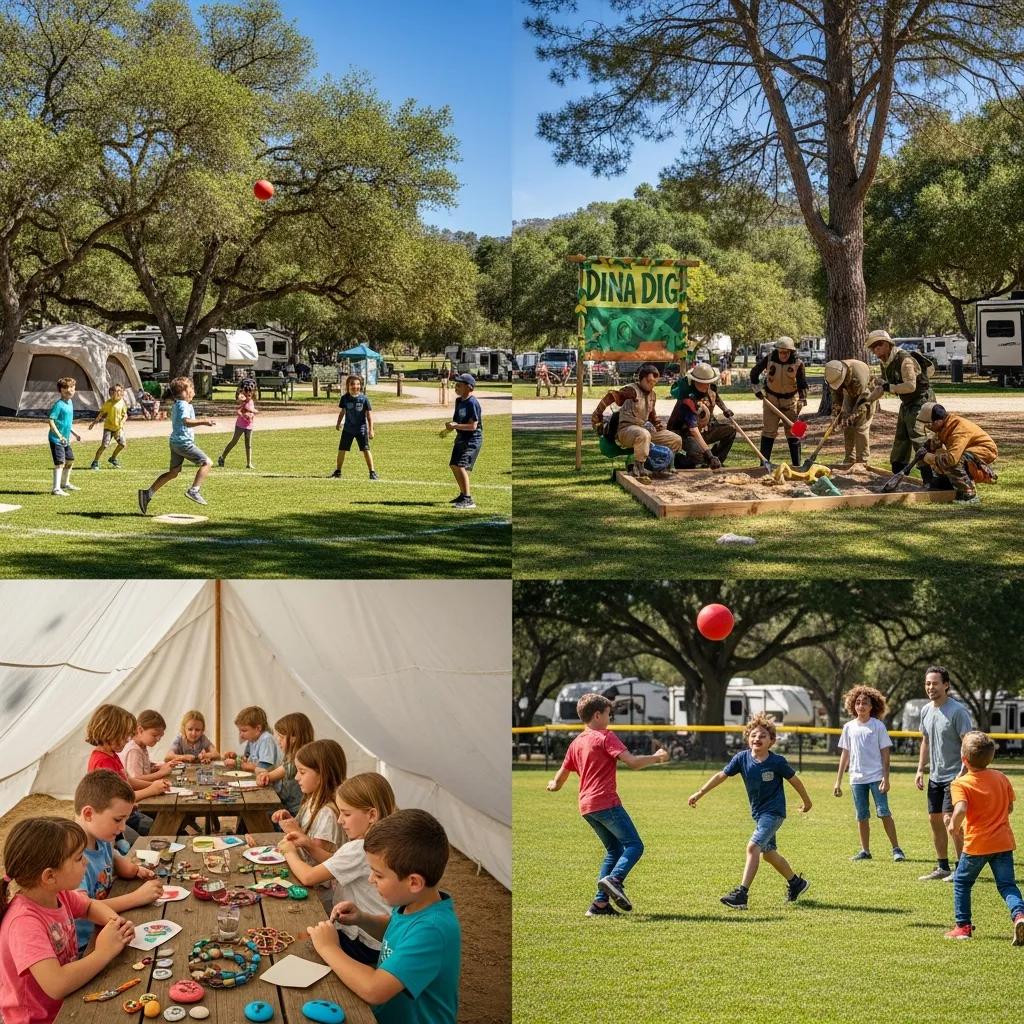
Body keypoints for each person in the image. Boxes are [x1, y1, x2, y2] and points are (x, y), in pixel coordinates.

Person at [306, 808, 461, 1024]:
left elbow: (374, 989)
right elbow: (395, 930)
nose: (371, 879)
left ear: (413, 882)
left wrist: (328, 947)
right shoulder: (412, 904)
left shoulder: (432, 930)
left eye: (378, 874)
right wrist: (363, 919)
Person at [0, 818, 135, 1024]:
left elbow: (89, 906)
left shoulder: (58, 894)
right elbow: (57, 984)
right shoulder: (23, 923)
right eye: (79, 858)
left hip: (69, 1000)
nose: (86, 862)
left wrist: (115, 923)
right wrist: (104, 951)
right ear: (49, 876)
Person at [546, 693, 669, 916]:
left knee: (614, 850)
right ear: (597, 715)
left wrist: (554, 785)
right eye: (608, 714)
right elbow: (632, 762)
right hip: (605, 802)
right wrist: (657, 757)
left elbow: (561, 775)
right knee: (634, 845)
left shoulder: (576, 743)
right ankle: (614, 879)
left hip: (586, 807)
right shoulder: (605, 736)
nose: (610, 719)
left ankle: (599, 905)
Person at [688, 712, 812, 910]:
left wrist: (807, 802)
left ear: (771, 741)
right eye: (754, 735)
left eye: (763, 735)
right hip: (759, 814)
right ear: (748, 738)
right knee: (768, 854)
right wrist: (700, 793)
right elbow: (722, 775)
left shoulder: (777, 761)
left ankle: (741, 894)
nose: (757, 738)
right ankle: (796, 883)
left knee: (752, 847)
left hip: (774, 813)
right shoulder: (741, 758)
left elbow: (794, 780)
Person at [279, 772, 396, 965]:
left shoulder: (361, 848)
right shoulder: (379, 842)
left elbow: (308, 877)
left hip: (362, 942)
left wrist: (289, 852)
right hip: (380, 938)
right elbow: (338, 862)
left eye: (346, 814)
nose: (340, 820)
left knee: (298, 944)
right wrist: (309, 844)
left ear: (372, 815)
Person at [72, 770, 164, 955]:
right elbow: (84, 908)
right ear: (89, 813)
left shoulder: (102, 838)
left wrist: (130, 867)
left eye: (125, 820)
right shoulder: (72, 859)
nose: (123, 828)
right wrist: (137, 897)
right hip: (87, 945)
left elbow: (110, 855)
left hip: (109, 927)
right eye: (117, 819)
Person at [944, 731, 1024, 942]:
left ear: (964, 759)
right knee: (1007, 885)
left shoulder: (961, 783)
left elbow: (960, 808)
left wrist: (953, 825)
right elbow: (1009, 808)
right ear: (991, 757)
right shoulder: (1001, 777)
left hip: (977, 844)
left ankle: (963, 927)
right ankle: (1019, 916)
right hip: (1003, 842)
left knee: (962, 882)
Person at [833, 685, 906, 862]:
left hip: (876, 778)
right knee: (862, 815)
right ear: (853, 705)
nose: (861, 706)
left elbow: (885, 755)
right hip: (857, 779)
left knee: (884, 813)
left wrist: (886, 779)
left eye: (865, 703)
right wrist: (838, 781)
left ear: (872, 706)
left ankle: (897, 849)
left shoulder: (878, 726)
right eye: (857, 702)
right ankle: (865, 851)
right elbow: (845, 754)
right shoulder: (849, 727)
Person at [915, 665, 973, 880]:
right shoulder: (926, 710)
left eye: (935, 683)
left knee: (951, 822)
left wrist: (963, 771)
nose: (930, 687)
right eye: (928, 683)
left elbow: (968, 743)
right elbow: (926, 740)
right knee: (935, 821)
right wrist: (920, 769)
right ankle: (943, 867)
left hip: (955, 777)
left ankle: (962, 869)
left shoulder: (957, 711)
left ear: (946, 685)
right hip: (935, 777)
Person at [84, 704, 169, 842]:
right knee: (159, 829)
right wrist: (151, 790)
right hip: (119, 819)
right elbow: (117, 801)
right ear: (109, 732)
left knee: (162, 824)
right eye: (124, 736)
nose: (127, 740)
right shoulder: (103, 763)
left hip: (128, 814)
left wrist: (154, 785)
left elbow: (128, 781)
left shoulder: (111, 755)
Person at [590, 363, 683, 482]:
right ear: (642, 378)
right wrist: (597, 416)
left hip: (643, 430)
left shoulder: (652, 395)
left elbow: (651, 414)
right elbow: (610, 397)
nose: (652, 384)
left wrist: (658, 425)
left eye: (655, 381)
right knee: (643, 434)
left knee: (675, 439)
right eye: (649, 381)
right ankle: (638, 468)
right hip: (625, 431)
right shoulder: (631, 390)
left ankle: (665, 466)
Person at [137, 376, 216, 514]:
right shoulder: (183, 405)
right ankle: (194, 490)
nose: (193, 390)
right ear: (184, 391)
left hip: (175, 442)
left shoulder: (180, 404)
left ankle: (147, 494)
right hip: (183, 443)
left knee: (173, 473)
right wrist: (204, 421)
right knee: (207, 462)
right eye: (191, 388)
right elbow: (186, 421)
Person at [864, 329, 935, 481]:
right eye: (873, 348)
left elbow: (911, 386)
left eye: (879, 346)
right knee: (901, 438)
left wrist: (889, 387)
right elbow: (882, 387)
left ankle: (931, 478)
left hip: (921, 401)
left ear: (888, 344)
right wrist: (867, 400)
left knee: (919, 438)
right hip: (907, 402)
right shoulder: (886, 362)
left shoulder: (905, 360)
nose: (876, 351)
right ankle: (898, 473)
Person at [917, 402, 998, 505]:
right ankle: (950, 484)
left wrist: (928, 457)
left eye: (929, 423)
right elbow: (937, 441)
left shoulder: (959, 431)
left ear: (938, 421)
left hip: (985, 451)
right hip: (967, 451)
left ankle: (969, 495)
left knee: (954, 461)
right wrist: (929, 447)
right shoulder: (946, 424)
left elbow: (951, 459)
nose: (928, 427)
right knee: (942, 464)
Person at [750, 337, 808, 467]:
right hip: (771, 401)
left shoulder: (798, 364)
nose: (783, 355)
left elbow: (802, 383)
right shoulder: (769, 359)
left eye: (786, 353)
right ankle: (764, 464)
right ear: (777, 351)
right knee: (768, 432)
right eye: (781, 352)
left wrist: (802, 399)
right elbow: (754, 373)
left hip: (790, 402)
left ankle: (797, 465)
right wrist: (757, 390)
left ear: (791, 352)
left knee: (794, 432)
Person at [667, 362, 737, 469]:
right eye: (704, 382)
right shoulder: (688, 398)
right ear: (695, 381)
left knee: (730, 430)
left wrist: (725, 409)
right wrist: (708, 455)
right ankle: (677, 460)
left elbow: (716, 397)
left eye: (709, 382)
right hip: (684, 433)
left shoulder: (710, 388)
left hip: (705, 430)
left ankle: (717, 459)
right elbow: (693, 430)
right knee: (698, 458)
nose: (707, 385)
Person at [256, 712, 316, 817]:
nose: (278, 740)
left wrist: (263, 775)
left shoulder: (296, 762)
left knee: (257, 814)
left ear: (294, 738)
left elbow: (267, 777)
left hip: (293, 813)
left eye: (281, 737)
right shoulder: (292, 758)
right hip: (289, 809)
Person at [822, 359, 876, 465]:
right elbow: (837, 397)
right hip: (849, 392)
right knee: (847, 427)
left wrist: (852, 417)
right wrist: (835, 417)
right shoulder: (833, 374)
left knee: (861, 427)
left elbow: (863, 404)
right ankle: (849, 459)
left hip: (866, 394)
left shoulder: (859, 377)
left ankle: (862, 461)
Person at [444, 373, 483, 510]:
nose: (456, 386)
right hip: (461, 437)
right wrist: (452, 427)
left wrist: (455, 426)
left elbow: (473, 426)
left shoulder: (472, 402)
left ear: (469, 387)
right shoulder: (459, 401)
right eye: (456, 384)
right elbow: (458, 420)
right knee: (454, 465)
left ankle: (468, 499)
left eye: (459, 385)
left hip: (472, 438)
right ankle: (462, 494)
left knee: (461, 466)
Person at [330, 374, 378, 480]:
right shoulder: (344, 398)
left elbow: (369, 415)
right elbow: (342, 411)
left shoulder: (364, 399)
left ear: (360, 386)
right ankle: (338, 471)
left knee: (366, 449)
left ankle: (372, 472)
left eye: (357, 384)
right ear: (348, 385)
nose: (355, 386)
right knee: (342, 449)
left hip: (361, 429)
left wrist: (371, 430)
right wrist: (338, 423)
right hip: (348, 429)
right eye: (352, 384)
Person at [47, 376, 80, 497]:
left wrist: (75, 434)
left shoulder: (70, 403)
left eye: (72, 387)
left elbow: (66, 423)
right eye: (65, 388)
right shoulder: (59, 405)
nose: (69, 390)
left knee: (70, 460)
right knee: (60, 463)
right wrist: (59, 435)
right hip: (56, 439)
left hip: (65, 439)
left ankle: (65, 483)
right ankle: (56, 489)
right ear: (60, 390)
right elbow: (51, 421)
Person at [222, 705, 281, 773]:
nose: (241, 735)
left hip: (270, 782)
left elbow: (263, 768)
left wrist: (237, 764)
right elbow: (247, 760)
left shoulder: (266, 739)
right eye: (240, 731)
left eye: (244, 731)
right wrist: (235, 757)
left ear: (258, 728)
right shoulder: (252, 740)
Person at [87, 383, 129, 470]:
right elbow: (101, 414)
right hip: (108, 428)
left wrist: (121, 423)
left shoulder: (122, 403)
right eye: (114, 391)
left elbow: (125, 415)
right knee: (104, 445)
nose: (116, 393)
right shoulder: (108, 403)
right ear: (111, 393)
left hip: (118, 428)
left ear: (121, 392)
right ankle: (95, 462)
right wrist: (93, 423)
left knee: (122, 444)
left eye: (118, 391)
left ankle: (113, 458)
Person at [217, 379, 257, 470]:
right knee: (234, 441)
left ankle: (249, 463)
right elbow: (239, 409)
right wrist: (244, 414)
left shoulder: (251, 401)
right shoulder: (242, 401)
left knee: (248, 444)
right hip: (240, 425)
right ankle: (222, 457)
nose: (247, 397)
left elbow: (253, 411)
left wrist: (252, 414)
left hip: (249, 425)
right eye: (246, 395)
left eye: (249, 395)